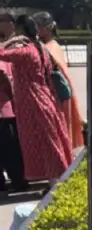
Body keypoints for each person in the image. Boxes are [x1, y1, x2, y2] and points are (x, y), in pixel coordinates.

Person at [0, 15, 72, 186]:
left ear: (22, 31)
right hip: (43, 98)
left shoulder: (25, 52)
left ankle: (55, 182)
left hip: (33, 101)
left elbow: (1, 53)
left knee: (47, 142)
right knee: (48, 140)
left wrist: (11, 41)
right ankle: (54, 180)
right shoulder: (39, 48)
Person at [34, 12, 84, 152]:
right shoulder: (49, 45)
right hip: (56, 94)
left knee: (60, 130)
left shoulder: (48, 48)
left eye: (38, 26)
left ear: (48, 28)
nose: (36, 29)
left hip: (58, 95)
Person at [0, 13, 25, 193]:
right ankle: (14, 180)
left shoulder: (19, 45)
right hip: (6, 105)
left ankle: (17, 179)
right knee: (9, 146)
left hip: (11, 104)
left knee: (12, 145)